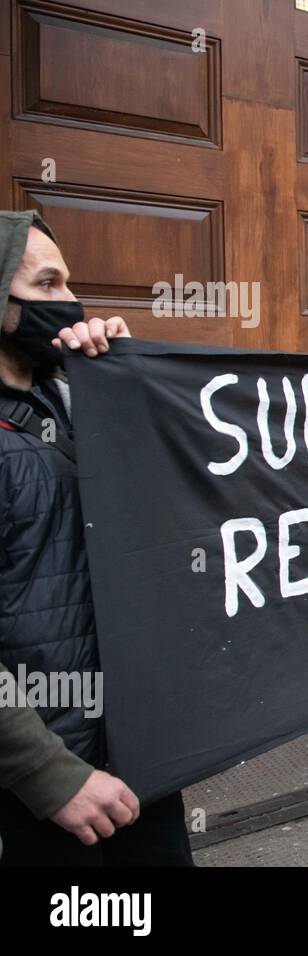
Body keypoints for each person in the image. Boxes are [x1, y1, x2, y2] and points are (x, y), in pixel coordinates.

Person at [0, 211, 193, 865]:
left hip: (134, 752)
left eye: (69, 286)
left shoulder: (73, 398)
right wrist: (49, 777)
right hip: (42, 790)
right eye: (47, 285)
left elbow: (166, 509)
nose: (70, 304)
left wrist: (122, 383)